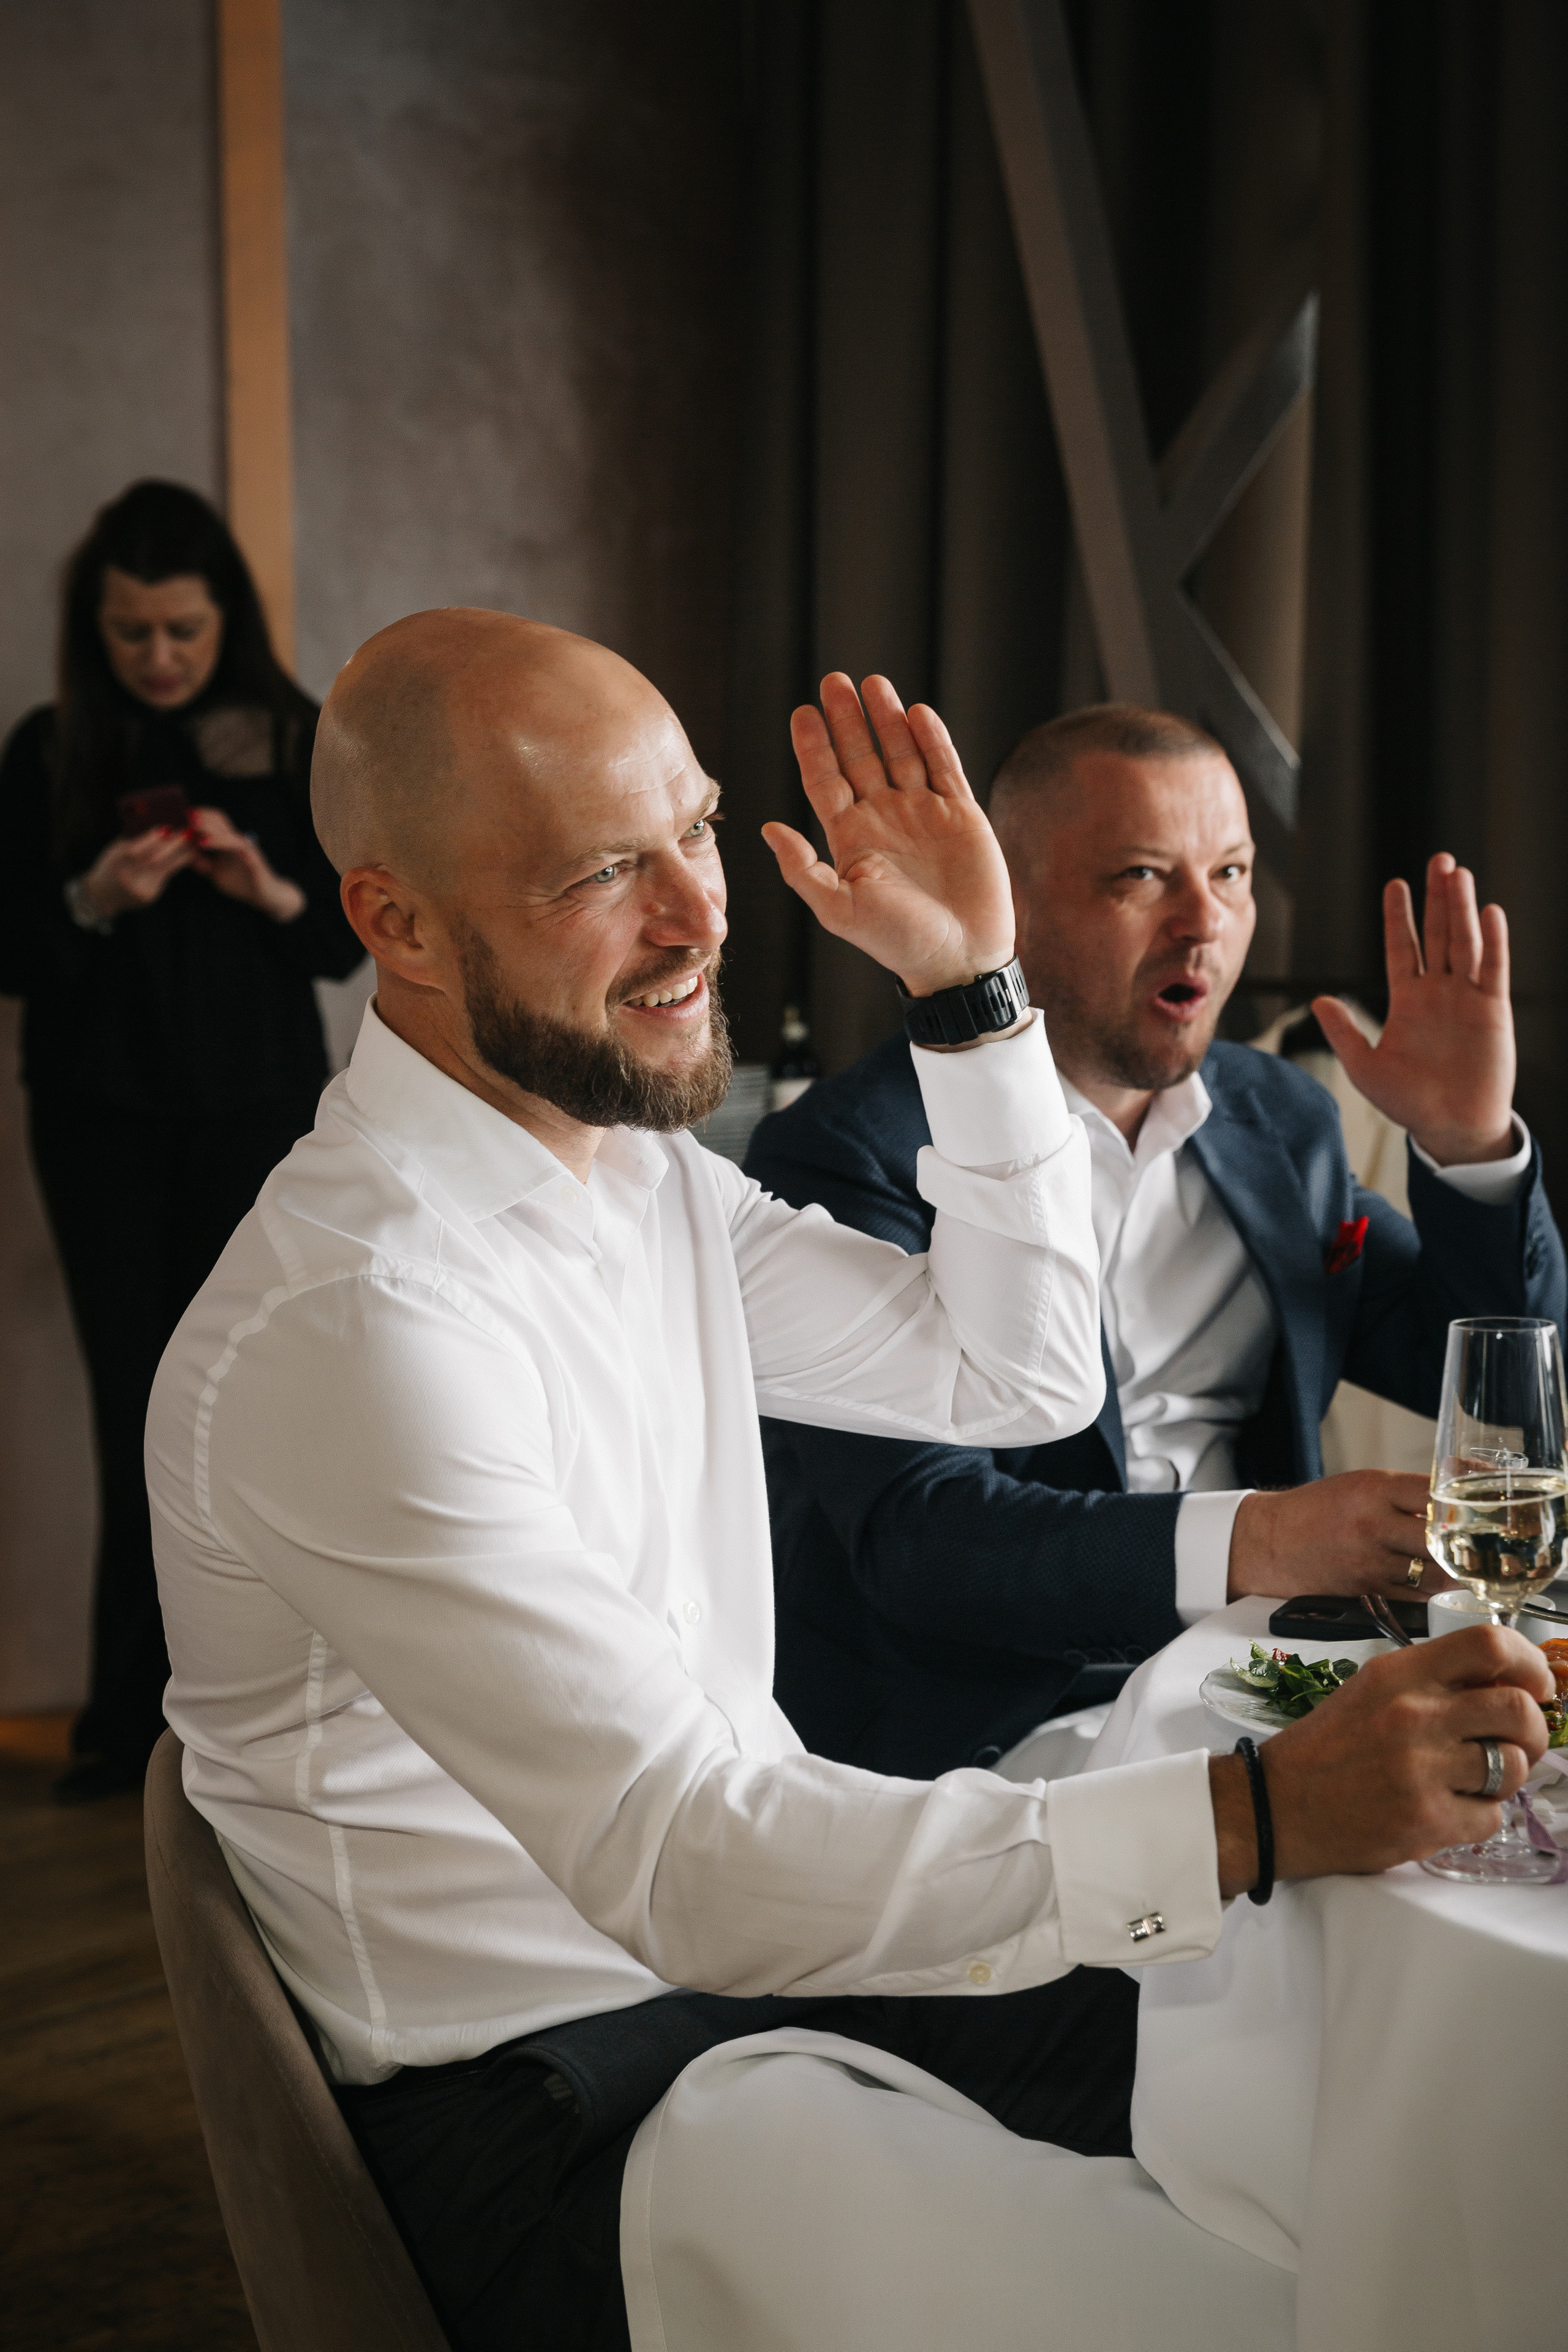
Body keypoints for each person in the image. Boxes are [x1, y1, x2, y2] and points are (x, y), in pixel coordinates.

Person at [146, 618, 1551, 2352]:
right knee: (1260, 2308)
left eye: (700, 831)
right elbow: (683, 1856)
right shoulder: (357, 1322)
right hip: (563, 2095)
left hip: (757, 1962)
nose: (700, 913)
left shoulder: (641, 1184)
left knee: (1340, 2116)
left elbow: (1015, 1373)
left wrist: (973, 988)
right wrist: (1262, 1812)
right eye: (607, 868)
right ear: (397, 924)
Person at [745, 704, 1566, 1779]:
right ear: (1011, 899)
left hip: (1279, 1683)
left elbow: (1493, 1391)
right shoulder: (846, 1151)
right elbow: (920, 1538)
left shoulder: (1281, 1120)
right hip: (983, 1734)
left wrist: (1468, 1147)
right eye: (1141, 877)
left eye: (1230, 874)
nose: (1205, 924)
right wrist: (1261, 1540)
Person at [0, 479, 363, 1801]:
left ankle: (258, 1725)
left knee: (257, 1411)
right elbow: (12, 951)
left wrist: (263, 885)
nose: (155, 657)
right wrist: (91, 899)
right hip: (100, 1122)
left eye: (181, 634)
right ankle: (121, 1724)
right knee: (130, 1405)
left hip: (260, 1116)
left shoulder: (290, 737)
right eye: (130, 633)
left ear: (228, 626)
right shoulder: (51, 749)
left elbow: (342, 941)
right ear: (93, 629)